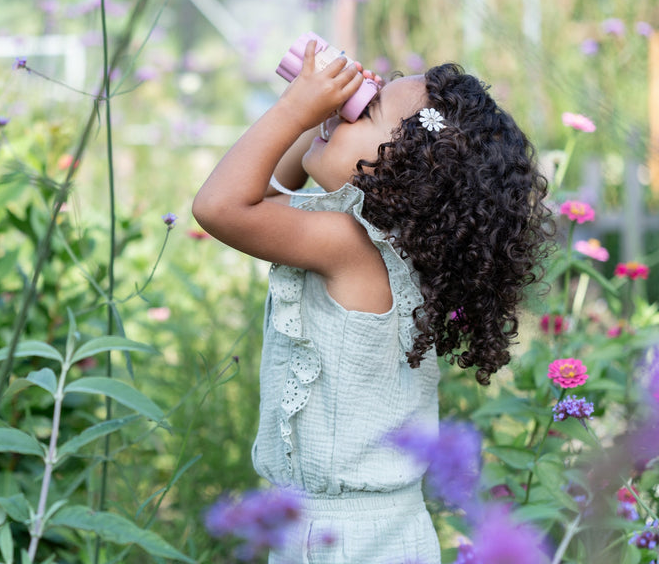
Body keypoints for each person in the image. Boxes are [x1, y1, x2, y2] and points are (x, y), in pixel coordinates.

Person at [192, 40, 552, 564]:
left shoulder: (351, 248)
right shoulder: (389, 246)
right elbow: (263, 199)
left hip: (342, 542)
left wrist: (295, 110)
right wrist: (323, 115)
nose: (342, 114)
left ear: (404, 169)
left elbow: (222, 206)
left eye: (366, 109)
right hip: (378, 532)